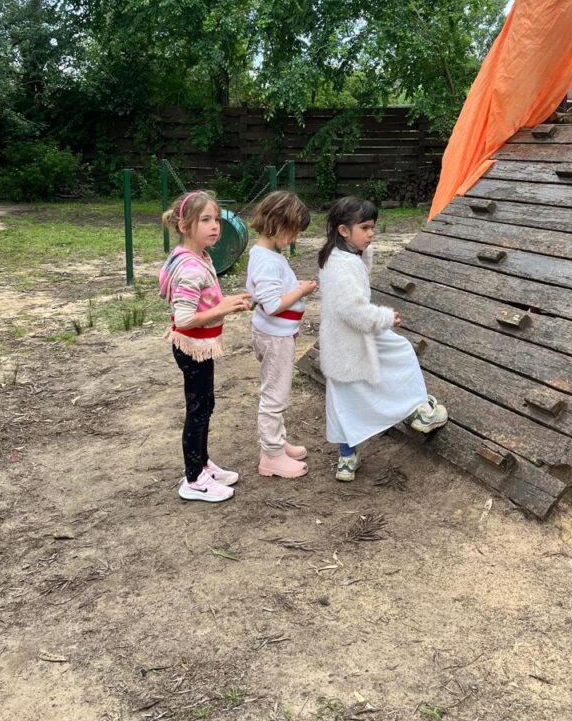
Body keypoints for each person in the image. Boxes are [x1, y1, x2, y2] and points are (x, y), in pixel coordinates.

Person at [317, 196, 448, 481]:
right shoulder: (343, 265)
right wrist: (385, 318)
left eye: (372, 227)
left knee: (343, 398)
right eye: (364, 228)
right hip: (356, 335)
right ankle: (420, 412)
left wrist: (364, 251)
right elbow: (351, 309)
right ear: (343, 231)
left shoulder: (338, 256)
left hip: (339, 340)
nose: (371, 233)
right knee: (402, 353)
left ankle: (347, 458)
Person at [159, 190, 251, 503]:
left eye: (217, 220)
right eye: (205, 220)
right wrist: (223, 308)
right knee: (198, 411)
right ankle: (193, 479)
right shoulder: (190, 268)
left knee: (206, 405)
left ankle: (203, 463)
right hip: (192, 347)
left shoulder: (199, 257)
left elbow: (203, 301)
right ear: (185, 226)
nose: (215, 226)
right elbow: (185, 319)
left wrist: (227, 301)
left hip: (200, 346)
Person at [246, 191, 317, 478]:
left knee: (276, 390)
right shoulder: (268, 260)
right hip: (275, 339)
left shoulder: (266, 254)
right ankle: (271, 455)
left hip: (275, 335)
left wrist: (295, 286)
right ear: (276, 223)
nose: (295, 238)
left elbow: (272, 291)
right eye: (293, 231)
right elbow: (272, 304)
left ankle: (277, 441)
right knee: (275, 396)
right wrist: (300, 290)